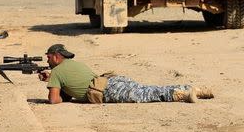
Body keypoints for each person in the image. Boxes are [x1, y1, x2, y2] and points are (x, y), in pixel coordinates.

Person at [39, 44, 214, 104]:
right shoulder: (71, 64)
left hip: (108, 90)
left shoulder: (57, 71)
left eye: (48, 57)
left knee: (147, 95)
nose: (47, 61)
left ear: (56, 57)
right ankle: (194, 89)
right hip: (112, 81)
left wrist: (52, 84)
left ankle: (182, 94)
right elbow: (72, 85)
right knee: (148, 89)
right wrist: (55, 82)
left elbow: (54, 100)